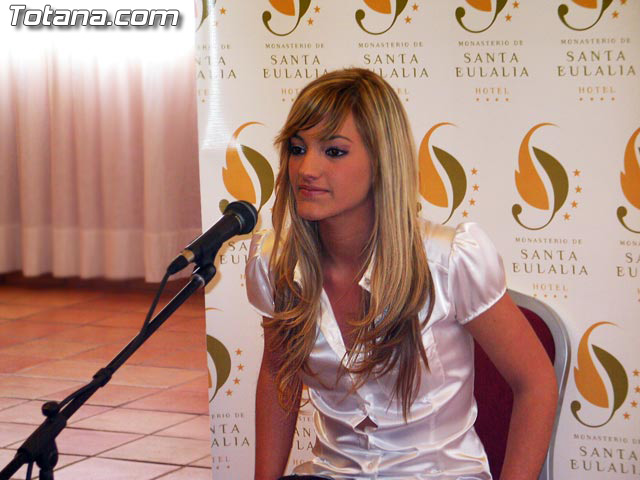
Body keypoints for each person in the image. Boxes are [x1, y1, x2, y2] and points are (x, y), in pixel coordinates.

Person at [245, 68, 557, 480]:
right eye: (297, 148)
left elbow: (535, 383)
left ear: (382, 161)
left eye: (333, 151)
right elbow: (277, 378)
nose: (306, 169)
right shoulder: (277, 264)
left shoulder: (450, 261)